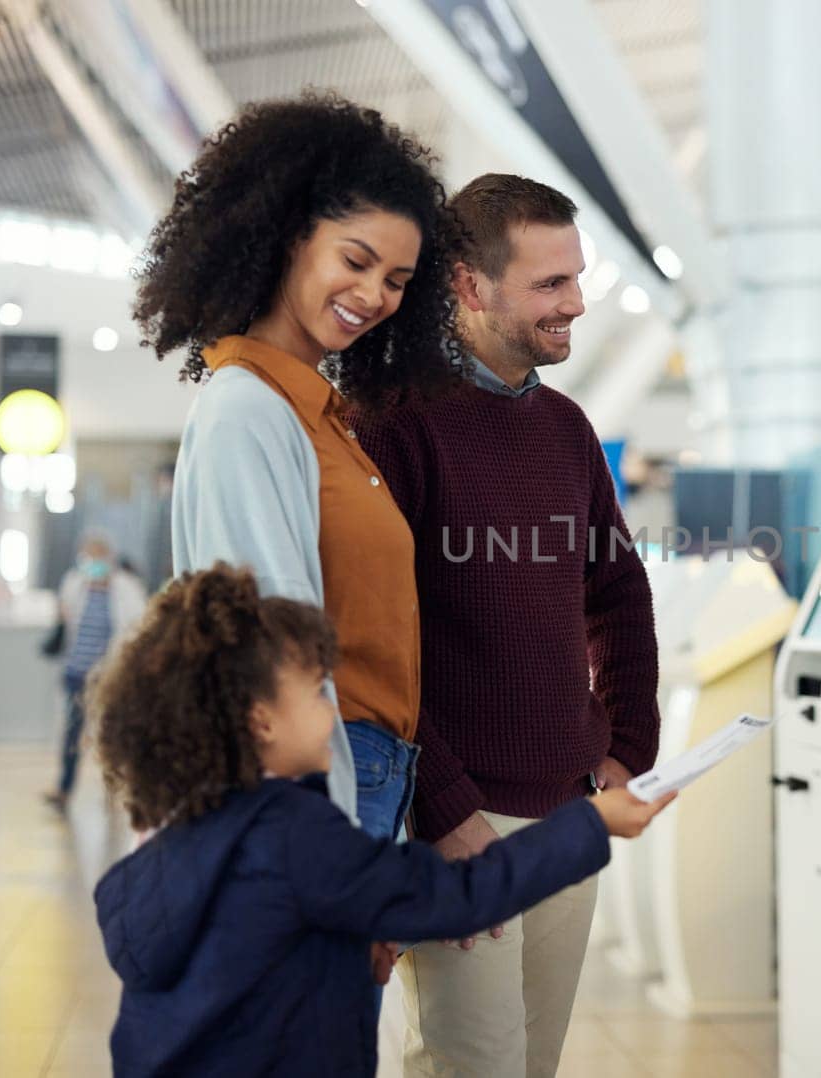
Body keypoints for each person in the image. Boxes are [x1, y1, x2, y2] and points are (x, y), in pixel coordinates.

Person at [90, 565, 672, 1078]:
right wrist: (592, 825)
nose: (336, 707)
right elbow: (454, 895)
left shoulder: (171, 845)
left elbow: (245, 949)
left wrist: (337, 948)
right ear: (261, 719)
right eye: (318, 692)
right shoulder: (294, 832)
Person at [352, 174, 661, 1077]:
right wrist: (443, 810)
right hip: (461, 822)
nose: (575, 305)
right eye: (549, 285)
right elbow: (375, 644)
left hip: (567, 811)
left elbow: (619, 594)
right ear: (468, 285)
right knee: (470, 1065)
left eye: (577, 279)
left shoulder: (566, 428)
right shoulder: (391, 424)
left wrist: (625, 746)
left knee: (532, 1065)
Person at [131, 90, 460, 864]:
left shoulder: (314, 415)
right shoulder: (248, 411)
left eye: (399, 279)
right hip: (324, 786)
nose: (375, 295)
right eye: (356, 260)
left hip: (366, 778)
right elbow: (276, 661)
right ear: (286, 239)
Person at [43, 529, 145, 813]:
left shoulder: (126, 589)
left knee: (111, 737)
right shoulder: (74, 585)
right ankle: (64, 789)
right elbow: (66, 624)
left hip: (109, 678)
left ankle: (113, 793)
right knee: (72, 736)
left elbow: (135, 628)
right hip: (76, 674)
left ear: (110, 559)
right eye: (89, 558)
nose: (94, 564)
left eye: (99, 558)